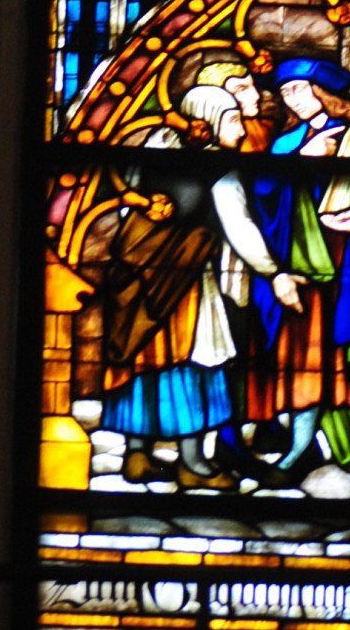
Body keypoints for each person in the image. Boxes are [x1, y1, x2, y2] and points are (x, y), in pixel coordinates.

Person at [94, 79, 302, 492]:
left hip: (139, 282)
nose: (241, 129)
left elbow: (125, 210)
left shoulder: (150, 152)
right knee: (196, 362)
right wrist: (274, 272)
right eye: (230, 119)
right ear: (204, 120)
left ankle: (137, 455)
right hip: (187, 286)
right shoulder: (218, 170)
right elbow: (239, 227)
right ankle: (193, 463)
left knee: (143, 364)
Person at [242, 57, 350, 485]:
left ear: (324, 91)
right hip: (300, 263)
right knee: (303, 357)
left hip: (347, 263)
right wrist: (298, 158)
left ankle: (337, 445)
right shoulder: (285, 142)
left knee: (336, 357)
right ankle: (300, 444)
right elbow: (261, 192)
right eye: (287, 91)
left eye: (300, 88)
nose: (293, 97)